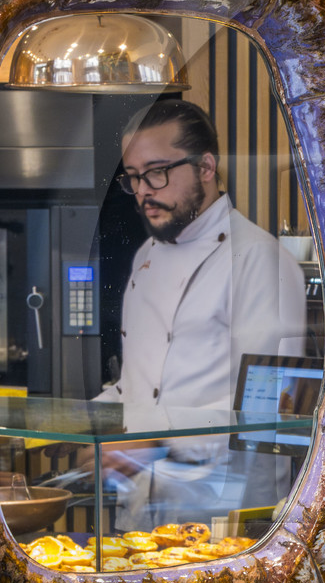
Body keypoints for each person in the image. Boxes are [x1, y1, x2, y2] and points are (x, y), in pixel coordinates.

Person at [94, 96, 307, 526]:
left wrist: (154, 442)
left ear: (206, 168)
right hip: (142, 511)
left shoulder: (260, 260)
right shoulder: (145, 257)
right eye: (133, 178)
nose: (142, 192)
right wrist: (84, 419)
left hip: (225, 518)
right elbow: (142, 386)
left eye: (156, 173)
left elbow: (269, 412)